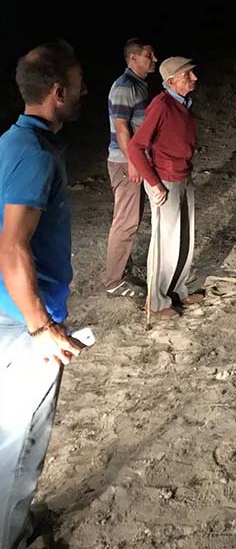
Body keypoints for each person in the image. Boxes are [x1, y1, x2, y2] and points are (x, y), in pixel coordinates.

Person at [0, 41, 88, 548]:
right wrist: (41, 327)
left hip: (10, 313)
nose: (83, 91)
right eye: (78, 84)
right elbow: (12, 246)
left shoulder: (12, 142)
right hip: (21, 324)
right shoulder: (34, 155)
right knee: (20, 443)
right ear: (57, 92)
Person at [128, 57, 203, 320]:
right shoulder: (161, 106)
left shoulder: (183, 103)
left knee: (185, 238)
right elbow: (135, 147)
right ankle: (156, 303)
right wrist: (154, 183)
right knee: (166, 242)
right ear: (171, 81)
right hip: (165, 179)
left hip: (182, 174)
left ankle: (177, 292)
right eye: (187, 75)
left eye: (192, 73)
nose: (194, 78)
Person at [104, 39, 158, 301]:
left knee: (130, 218)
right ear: (133, 58)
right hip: (125, 162)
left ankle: (122, 269)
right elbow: (122, 128)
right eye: (149, 55)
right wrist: (134, 162)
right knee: (126, 222)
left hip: (131, 160)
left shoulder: (137, 85)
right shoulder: (125, 87)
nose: (154, 59)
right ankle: (114, 281)